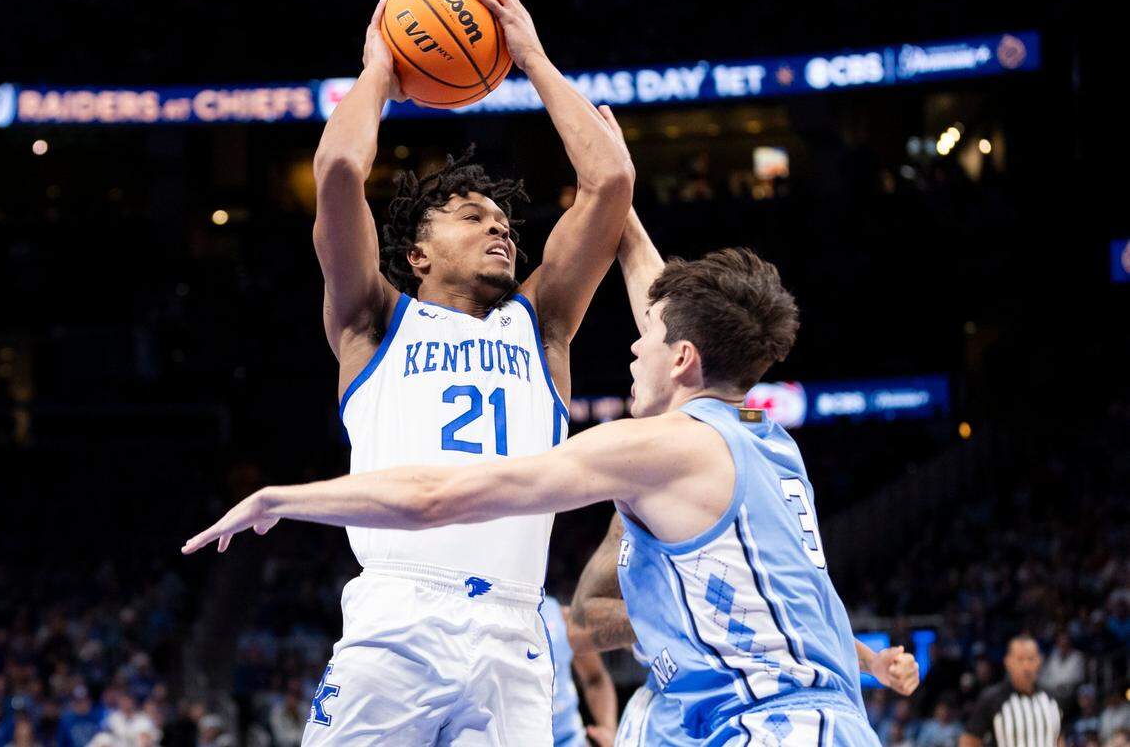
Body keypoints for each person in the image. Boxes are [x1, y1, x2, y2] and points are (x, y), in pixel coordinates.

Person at [185, 237, 895, 744]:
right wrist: (617, 213)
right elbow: (801, 596)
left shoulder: (658, 446)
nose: (632, 346)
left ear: (682, 360)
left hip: (771, 728)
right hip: (813, 719)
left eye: (649, 341)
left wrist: (283, 497)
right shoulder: (769, 443)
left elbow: (437, 495)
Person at [200, 0, 633, 741]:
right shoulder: (373, 318)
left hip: (514, 624)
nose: (500, 229)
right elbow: (338, 169)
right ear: (417, 253)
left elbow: (611, 186)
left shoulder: (544, 326)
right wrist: (380, 73)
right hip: (399, 614)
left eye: (504, 222)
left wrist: (529, 56)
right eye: (473, 217)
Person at [565, 178, 920, 745]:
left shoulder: (734, 447)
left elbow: (788, 601)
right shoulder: (660, 474)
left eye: (651, 341)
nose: (636, 348)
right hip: (691, 706)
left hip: (758, 713)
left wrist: (863, 660)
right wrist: (616, 194)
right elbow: (583, 621)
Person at [538, 596, 617, 747]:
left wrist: (609, 730)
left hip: (570, 740)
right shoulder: (485, 620)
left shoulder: (561, 616)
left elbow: (596, 678)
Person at [960, 635, 1063, 747]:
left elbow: (1059, 739)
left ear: (1039, 661)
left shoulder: (1052, 699)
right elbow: (969, 740)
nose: (1026, 666)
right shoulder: (992, 698)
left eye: (1031, 659)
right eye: (1020, 659)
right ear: (1008, 662)